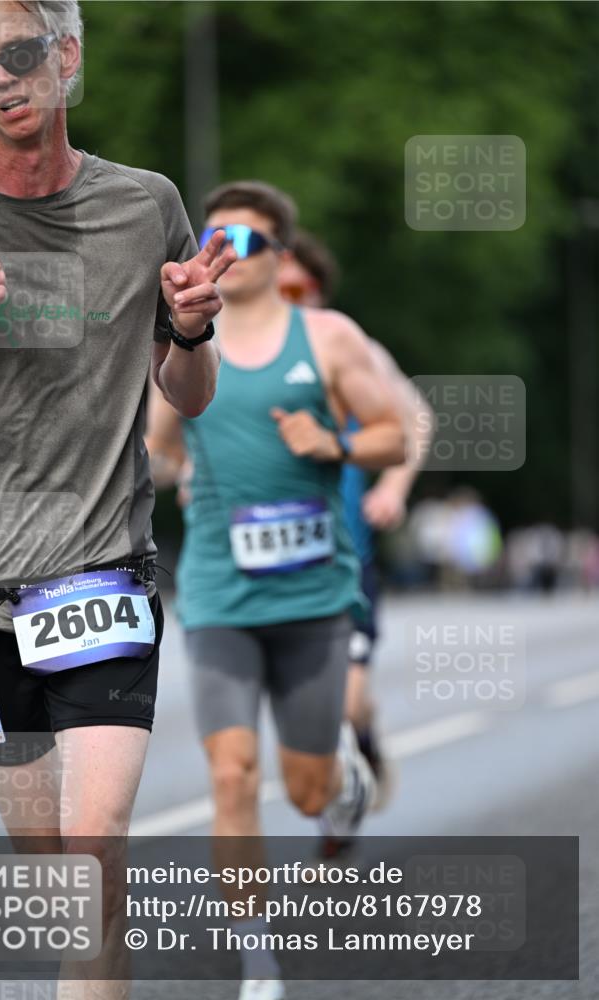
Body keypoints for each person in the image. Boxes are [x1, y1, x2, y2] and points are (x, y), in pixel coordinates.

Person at [0, 3, 234, 998]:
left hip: (101, 571)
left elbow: (185, 392)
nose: (4, 82)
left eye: (21, 55)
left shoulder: (144, 205)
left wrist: (189, 334)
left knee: (95, 844)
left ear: (68, 55)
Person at [147, 180, 408, 1000]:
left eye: (249, 240)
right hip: (220, 595)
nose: (228, 249)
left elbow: (393, 432)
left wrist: (330, 441)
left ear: (280, 255)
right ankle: (256, 960)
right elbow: (158, 450)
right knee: (230, 775)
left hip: (312, 599)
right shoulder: (187, 336)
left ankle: (342, 787)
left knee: (303, 791)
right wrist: (162, 472)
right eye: (216, 234)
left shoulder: (325, 338)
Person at [279, 229, 433, 861]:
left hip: (345, 554)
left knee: (347, 698)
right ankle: (339, 772)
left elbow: (413, 417)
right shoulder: (235, 344)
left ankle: (356, 759)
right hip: (270, 562)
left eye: (296, 288)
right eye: (274, 285)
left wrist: (394, 486)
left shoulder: (350, 345)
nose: (284, 299)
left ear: (317, 291)